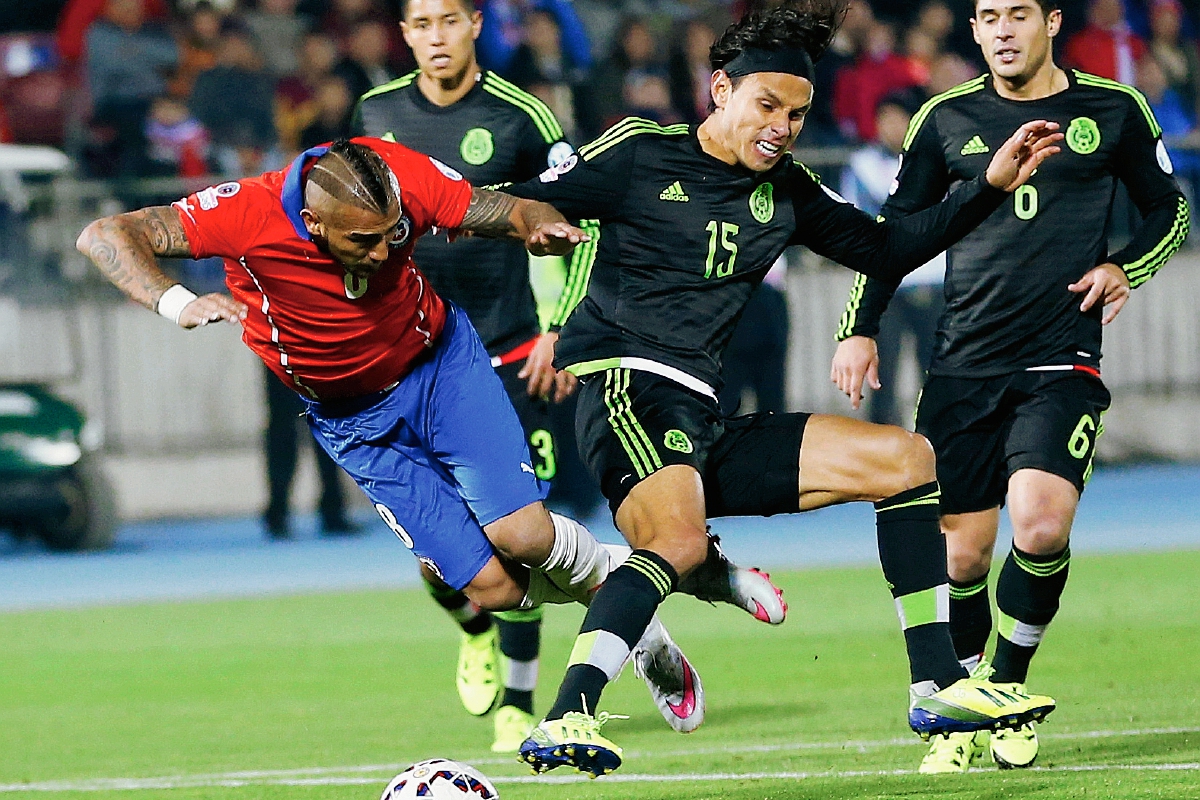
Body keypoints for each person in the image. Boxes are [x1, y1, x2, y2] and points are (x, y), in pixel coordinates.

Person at [505, 0, 1062, 778]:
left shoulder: (790, 190)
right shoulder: (639, 152)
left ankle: (937, 688)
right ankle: (568, 712)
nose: (783, 127)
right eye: (768, 106)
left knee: (906, 461)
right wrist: (521, 218)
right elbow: (518, 195)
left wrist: (989, 185)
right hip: (628, 393)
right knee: (675, 541)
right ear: (720, 90)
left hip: (702, 417)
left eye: (798, 115)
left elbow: (888, 249)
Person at [74, 135, 754, 755]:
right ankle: (624, 593)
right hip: (355, 423)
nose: (383, 252)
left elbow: (489, 208)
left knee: (522, 535)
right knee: (494, 590)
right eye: (363, 241)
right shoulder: (246, 212)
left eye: (392, 233)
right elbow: (106, 234)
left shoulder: (397, 175)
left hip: (441, 369)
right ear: (312, 223)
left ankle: (625, 611)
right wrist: (175, 302)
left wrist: (530, 222)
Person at [831, 0, 1189, 775]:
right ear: (973, 29)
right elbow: (894, 232)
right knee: (962, 557)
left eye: (1017, 14)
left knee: (1042, 522)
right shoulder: (943, 119)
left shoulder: (1112, 109)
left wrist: (1125, 266)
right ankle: (964, 702)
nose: (1001, 30)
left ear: (1051, 22)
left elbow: (1170, 208)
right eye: (988, 16)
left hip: (1061, 357)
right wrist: (859, 326)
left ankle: (1006, 682)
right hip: (963, 365)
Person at [351, 0, 582, 752]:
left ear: (476, 24)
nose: (436, 37)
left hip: (506, 355)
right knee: (435, 551)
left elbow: (578, 224)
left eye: (449, 20)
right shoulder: (375, 113)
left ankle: (519, 701)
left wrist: (562, 329)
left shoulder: (523, 117)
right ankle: (473, 626)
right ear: (405, 33)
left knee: (517, 535)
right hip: (407, 363)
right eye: (421, 25)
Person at [838, 93, 945, 428]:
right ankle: (883, 441)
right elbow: (856, 222)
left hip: (934, 278)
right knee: (881, 372)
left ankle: (937, 437)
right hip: (886, 285)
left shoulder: (936, 159)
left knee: (937, 369)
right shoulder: (862, 165)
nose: (891, 127)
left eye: (898, 118)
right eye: (884, 119)